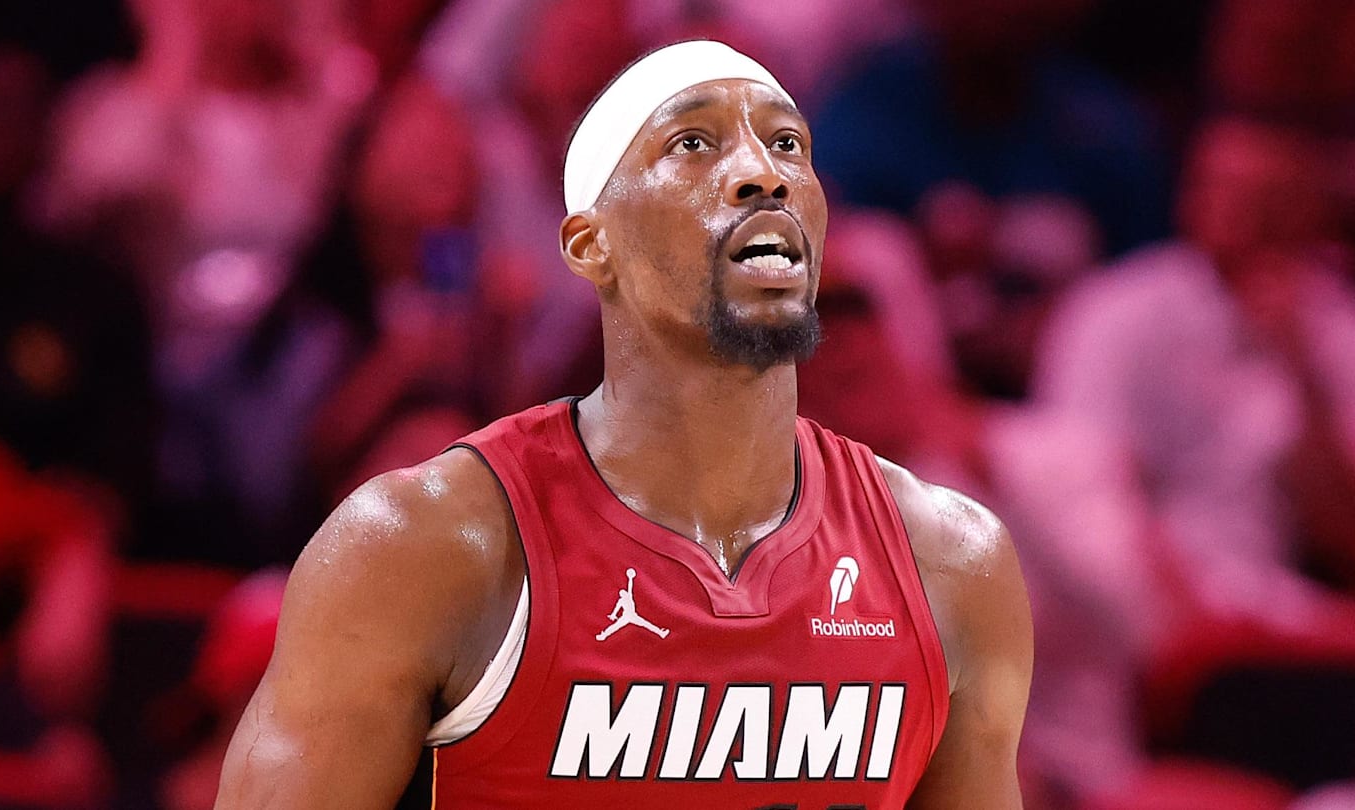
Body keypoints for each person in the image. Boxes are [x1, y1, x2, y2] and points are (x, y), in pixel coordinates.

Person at [215, 40, 1032, 808]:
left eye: (788, 145)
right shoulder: (421, 548)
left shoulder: (952, 564)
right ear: (588, 244)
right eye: (694, 145)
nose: (762, 174)